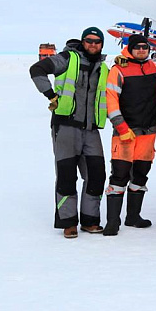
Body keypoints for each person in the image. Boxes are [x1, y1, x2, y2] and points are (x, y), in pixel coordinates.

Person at [29, 27, 109, 238]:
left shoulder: (103, 67)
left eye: (97, 41)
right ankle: (68, 222)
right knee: (66, 176)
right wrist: (50, 95)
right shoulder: (67, 58)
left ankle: (90, 221)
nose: (93, 45)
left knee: (96, 175)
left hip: (91, 129)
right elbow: (36, 69)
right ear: (83, 42)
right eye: (89, 41)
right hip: (66, 126)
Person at [102, 34, 156, 236]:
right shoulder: (119, 69)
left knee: (140, 175)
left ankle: (133, 216)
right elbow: (111, 100)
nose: (142, 50)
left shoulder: (155, 68)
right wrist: (121, 128)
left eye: (145, 47)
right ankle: (112, 221)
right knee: (119, 176)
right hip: (125, 133)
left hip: (149, 131)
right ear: (130, 48)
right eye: (138, 47)